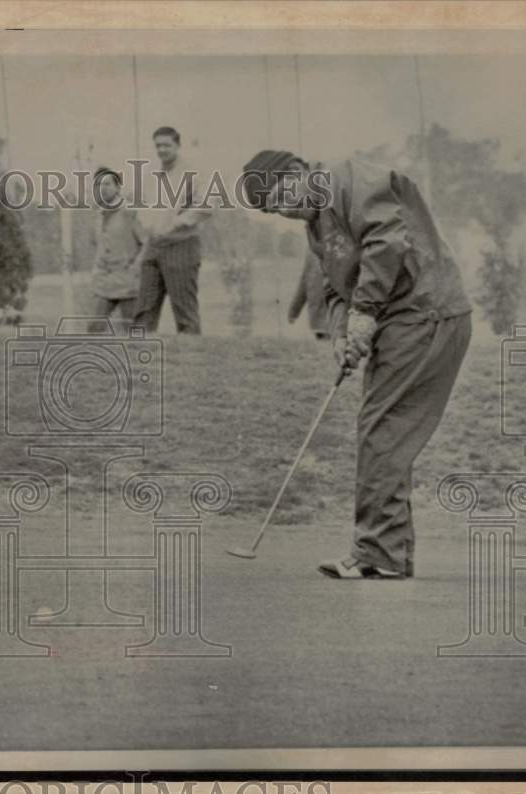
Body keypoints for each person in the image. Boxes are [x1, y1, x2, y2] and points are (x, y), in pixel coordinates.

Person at [242, 149, 473, 579]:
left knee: (381, 429)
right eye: (275, 209)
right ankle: (384, 554)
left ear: (296, 172)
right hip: (402, 318)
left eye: (280, 196)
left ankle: (379, 556)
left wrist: (364, 310)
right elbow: (333, 286)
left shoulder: (348, 179)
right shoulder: (316, 223)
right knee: (380, 429)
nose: (285, 211)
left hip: (426, 313)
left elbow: (385, 238)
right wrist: (343, 333)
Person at [132, 126, 213, 335]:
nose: (162, 150)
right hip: (154, 245)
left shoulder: (192, 173)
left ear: (177, 145)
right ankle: (142, 359)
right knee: (144, 309)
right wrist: (146, 228)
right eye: (158, 145)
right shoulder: (152, 174)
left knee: (184, 311)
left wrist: (178, 222)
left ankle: (190, 362)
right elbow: (143, 208)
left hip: (181, 245)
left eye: (166, 145)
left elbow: (206, 205)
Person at [89, 167, 146, 333]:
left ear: (118, 187)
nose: (102, 188)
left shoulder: (130, 212)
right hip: (103, 282)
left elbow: (146, 243)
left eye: (107, 184)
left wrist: (135, 268)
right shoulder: (98, 216)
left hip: (127, 282)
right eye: (98, 184)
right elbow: (98, 245)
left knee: (132, 332)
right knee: (94, 327)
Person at [288, 248, 330, 340]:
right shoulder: (312, 251)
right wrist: (294, 311)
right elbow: (304, 282)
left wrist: (293, 311)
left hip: (335, 318)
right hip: (321, 319)